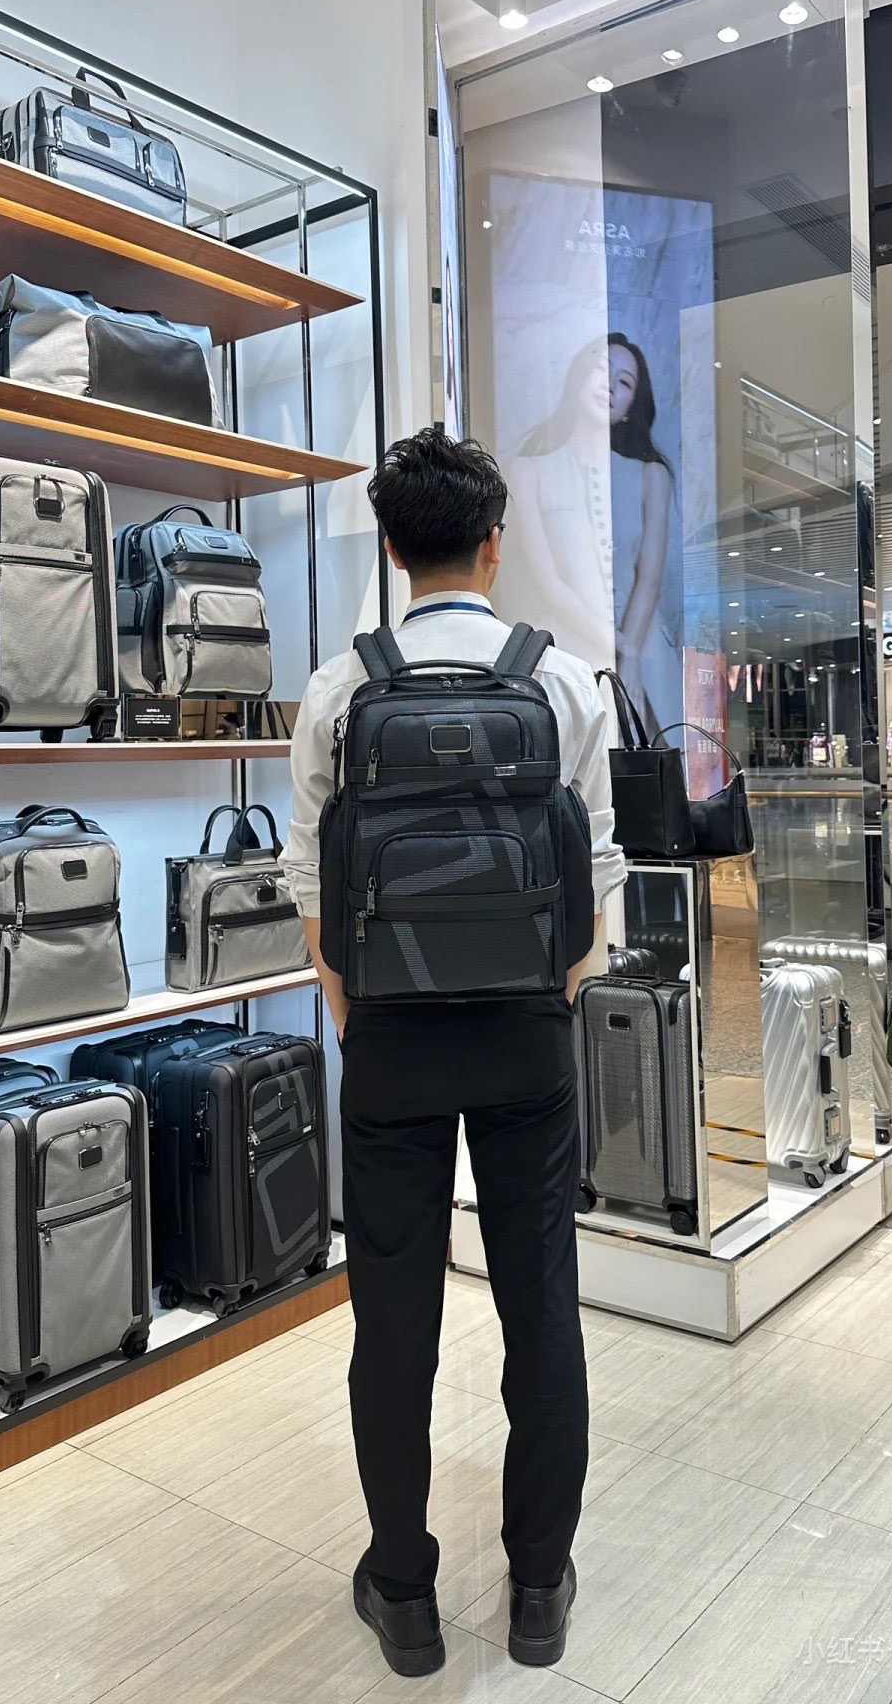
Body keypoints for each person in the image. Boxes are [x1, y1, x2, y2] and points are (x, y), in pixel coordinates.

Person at [284, 429, 626, 1678]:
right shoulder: (563, 683)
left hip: (391, 1042)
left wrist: (357, 1011)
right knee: (541, 1312)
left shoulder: (340, 690)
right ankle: (538, 1588)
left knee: (394, 1324)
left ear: (392, 547)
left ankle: (406, 1594)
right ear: (493, 544)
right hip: (525, 1039)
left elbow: (311, 887)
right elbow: (598, 882)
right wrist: (546, 996)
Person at [501, 333, 680, 735]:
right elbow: (548, 583)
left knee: (648, 762)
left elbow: (649, 579)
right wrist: (618, 645)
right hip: (565, 648)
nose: (611, 385)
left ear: (630, 408)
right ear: (578, 377)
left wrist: (631, 652)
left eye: (625, 382)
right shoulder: (528, 471)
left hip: (644, 651)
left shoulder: (651, 476)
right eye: (602, 369)